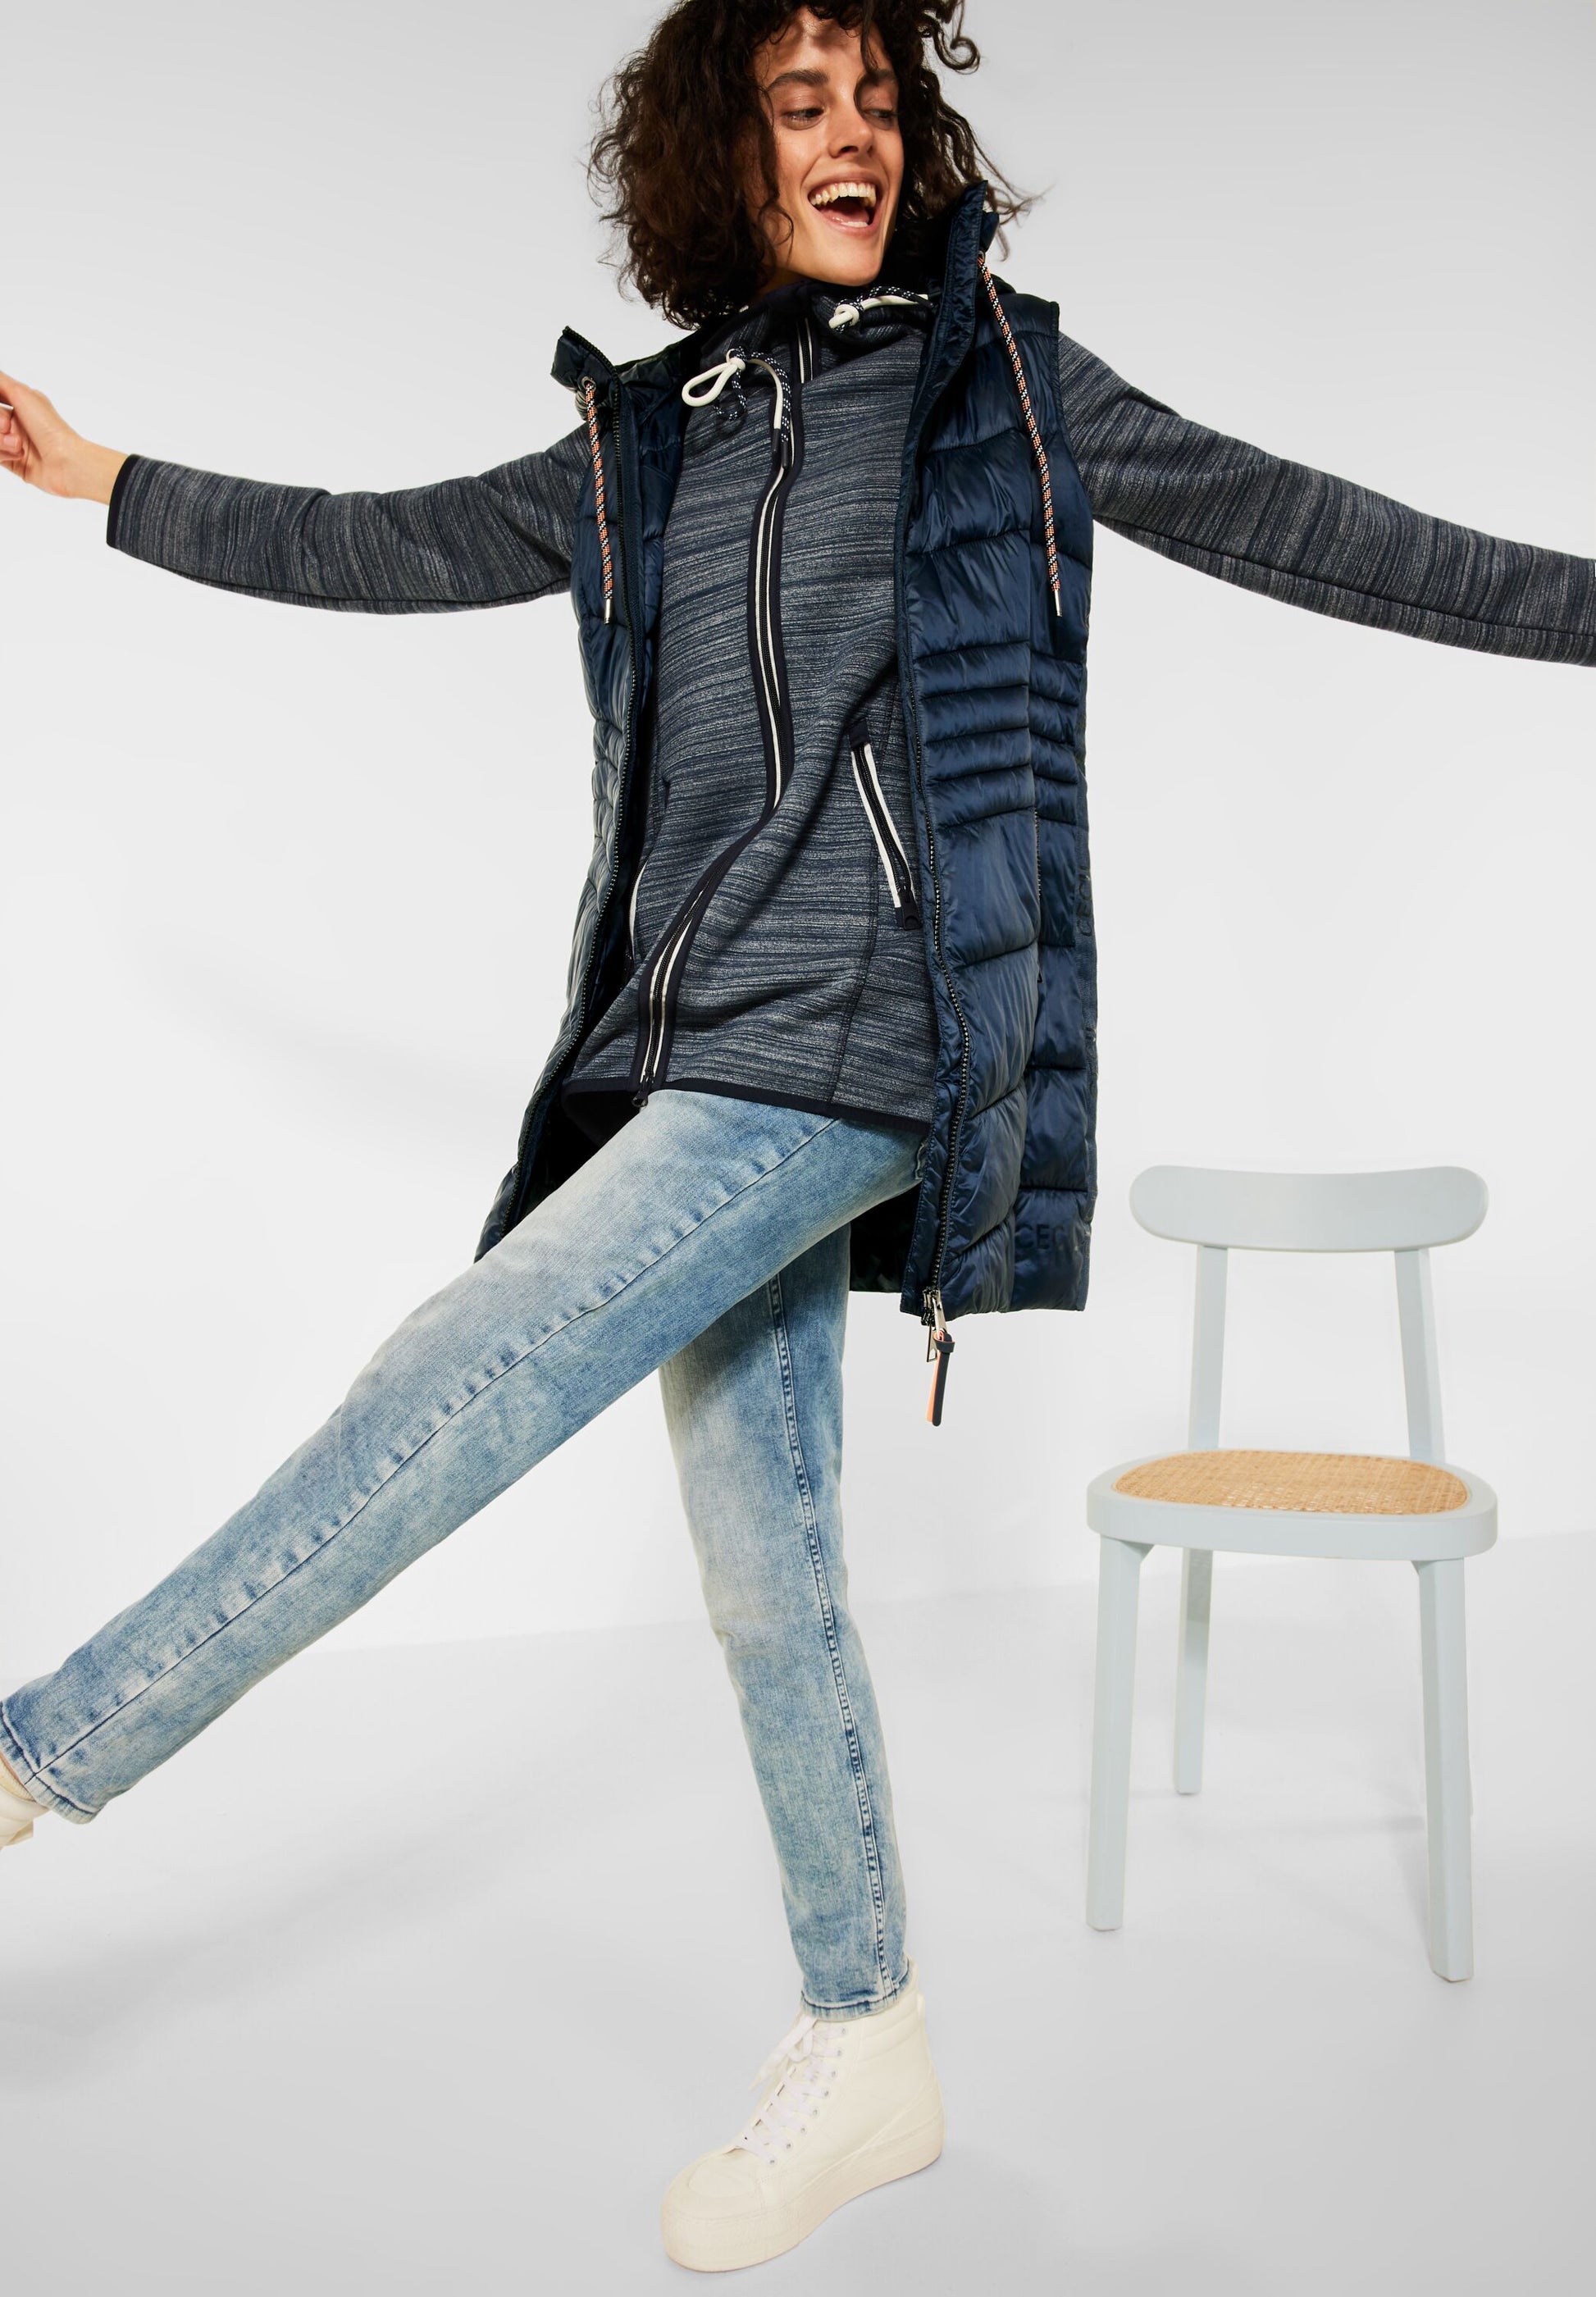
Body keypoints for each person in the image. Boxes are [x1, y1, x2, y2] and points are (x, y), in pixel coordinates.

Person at [1, 0, 1591, 2273]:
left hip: (865, 1047)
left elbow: (1325, 530)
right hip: (681, 1052)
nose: (855, 137)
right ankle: (870, 2043)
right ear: (721, 162)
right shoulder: (652, 440)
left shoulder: (1008, 389)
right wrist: (109, 483)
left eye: (881, 102)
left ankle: (36, 1755)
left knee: (455, 1368)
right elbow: (393, 542)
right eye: (800, 104)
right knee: (770, 1573)